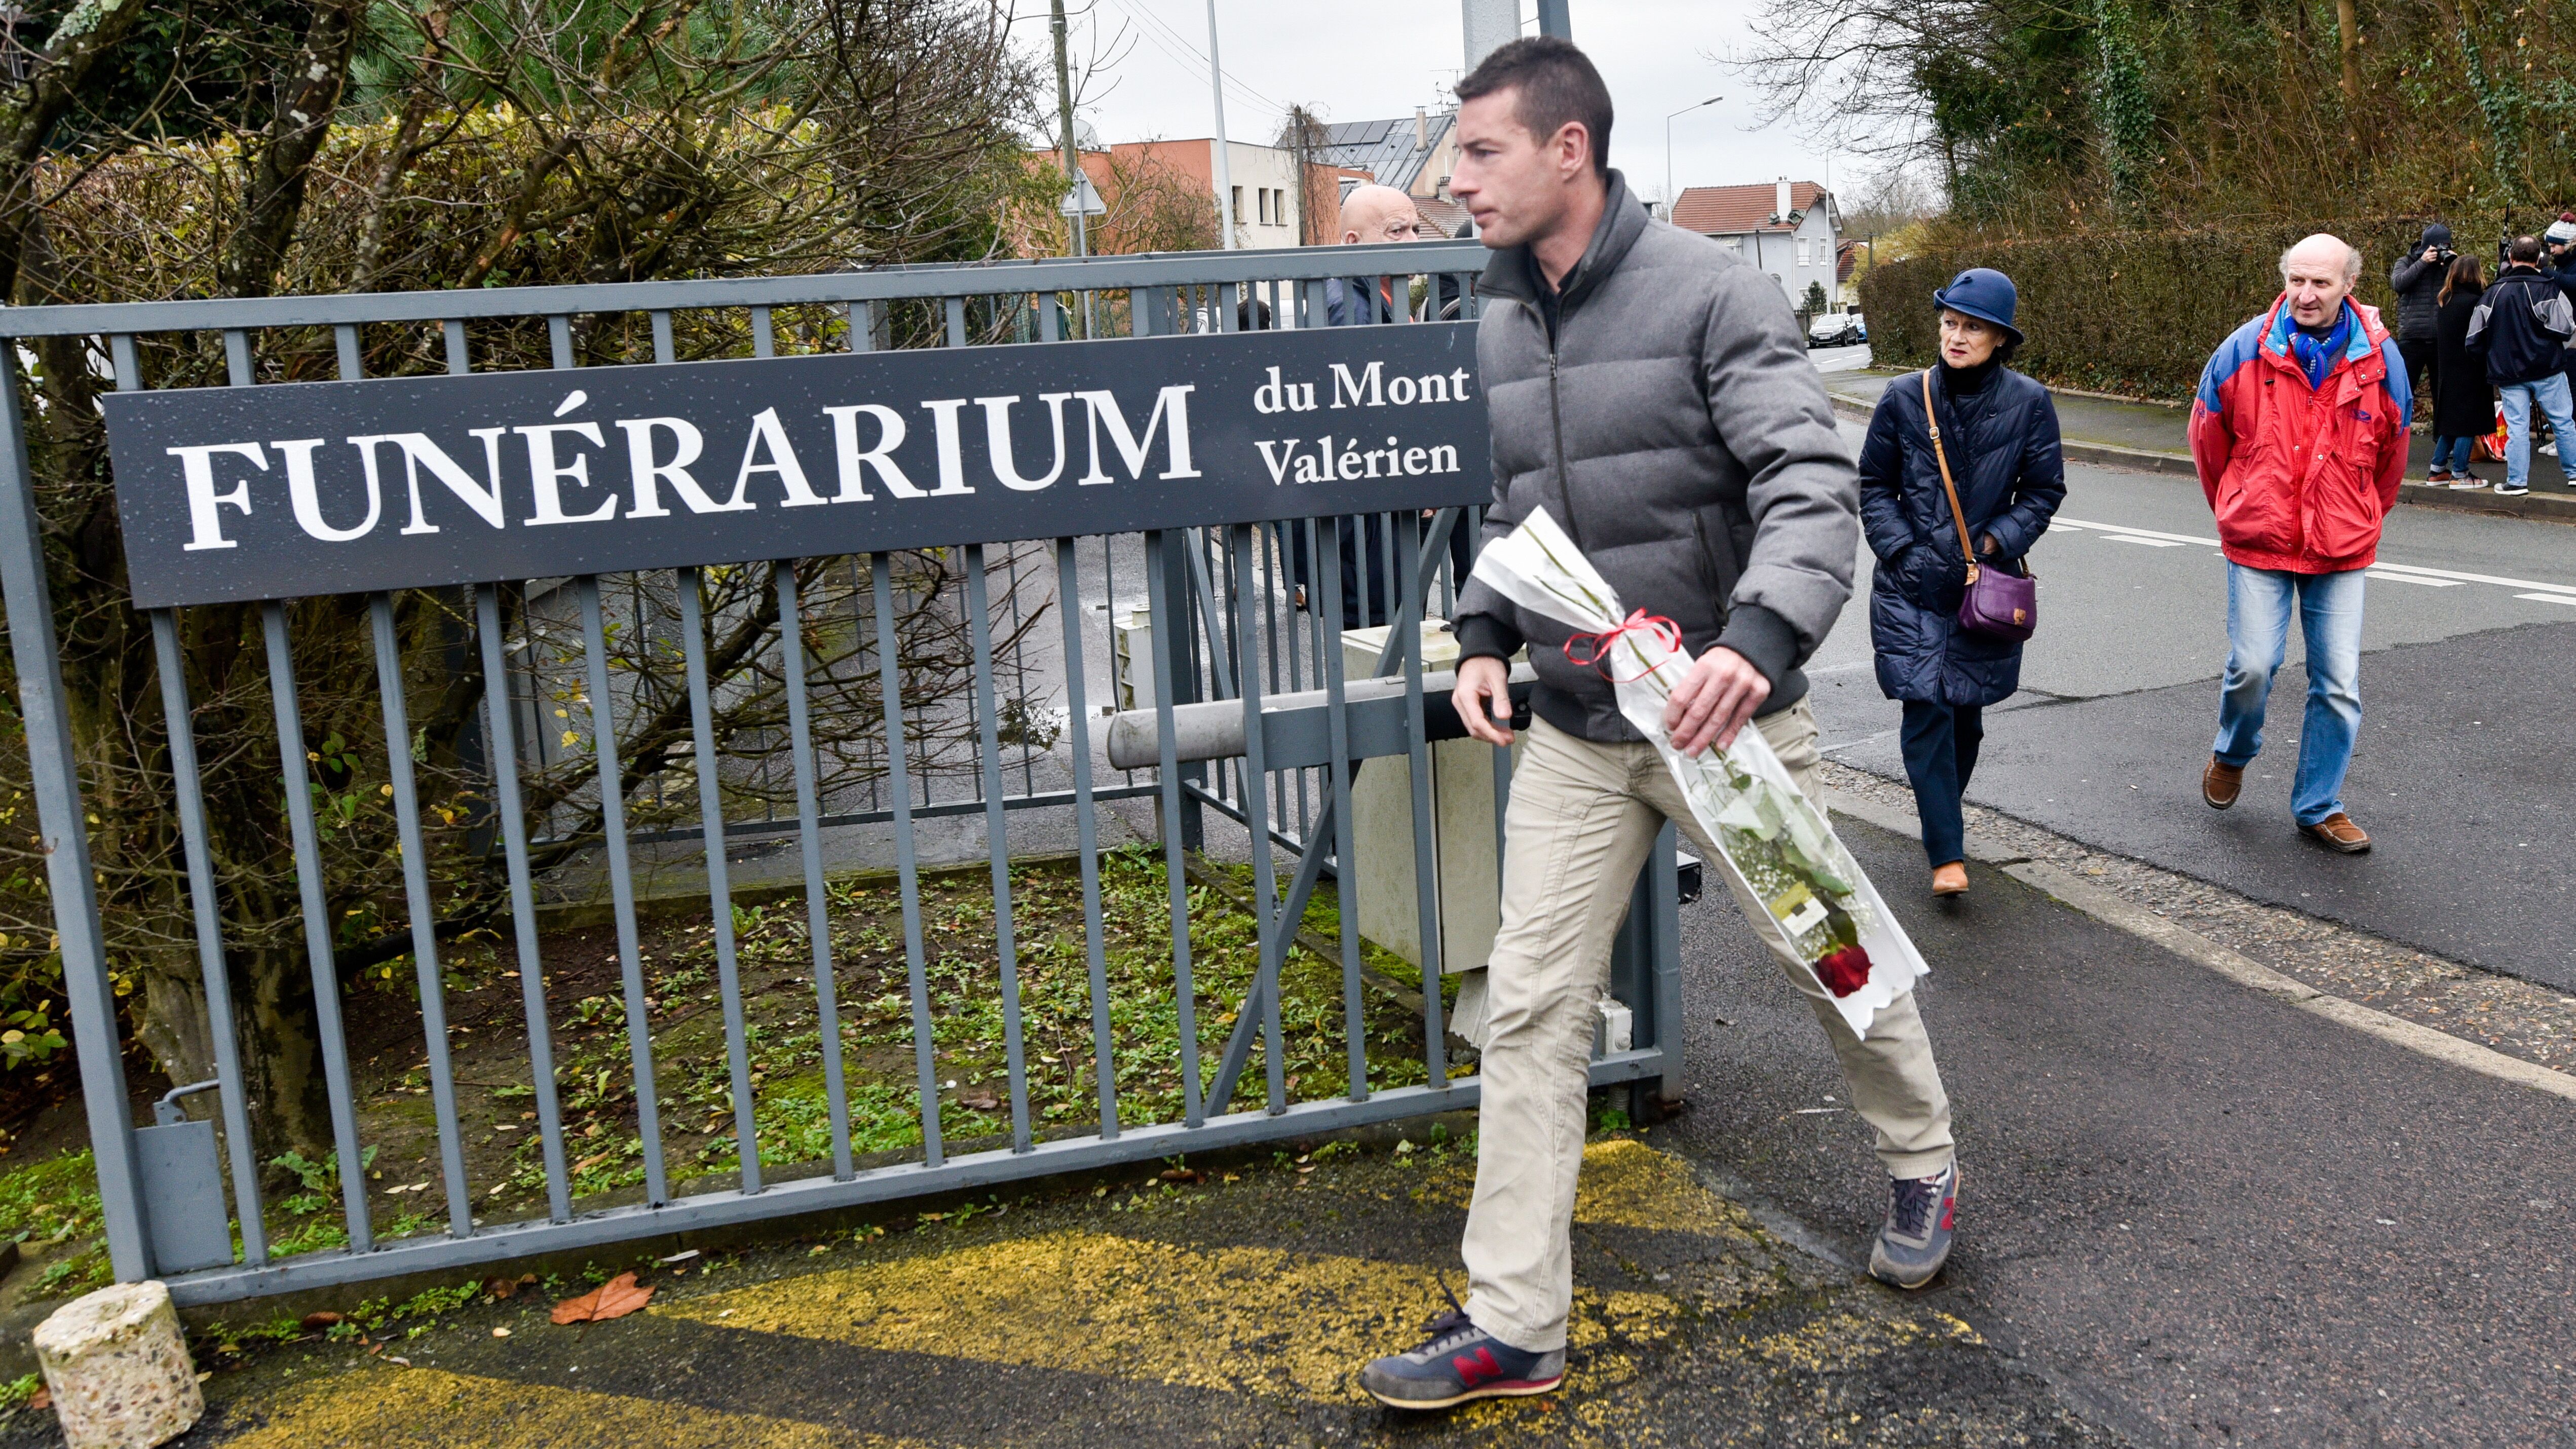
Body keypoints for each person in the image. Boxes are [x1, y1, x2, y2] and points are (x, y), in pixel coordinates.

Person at [1358, 35, 1958, 1411]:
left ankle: (1922, 1160)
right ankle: (1515, 1323)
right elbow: (1515, 516)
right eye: (1456, 157)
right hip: (1575, 726)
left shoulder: (1710, 294)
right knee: (1529, 1009)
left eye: (1479, 152)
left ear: (1568, 148)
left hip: (1719, 721)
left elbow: (1808, 485)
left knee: (1829, 960)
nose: (1456, 183)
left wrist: (1753, 642)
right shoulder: (1500, 317)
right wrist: (1486, 639)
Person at [2188, 234, 2408, 854]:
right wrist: (2236, 506)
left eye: (2321, 284)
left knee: (2337, 683)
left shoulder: (2379, 360)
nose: (2306, 295)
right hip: (2257, 535)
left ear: (2348, 286)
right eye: (2297, 281)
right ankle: (2231, 754)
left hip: (2339, 545)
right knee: (2253, 665)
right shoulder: (2242, 350)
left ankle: (2319, 805)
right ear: (2283, 280)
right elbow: (2208, 439)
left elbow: (2391, 454)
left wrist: (2359, 513)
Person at [1857, 268, 2064, 896]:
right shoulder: (1902, 396)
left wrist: (1996, 541)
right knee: (1925, 712)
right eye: (1949, 322)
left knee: (1965, 720)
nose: (1956, 335)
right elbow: (1872, 484)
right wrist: (1899, 550)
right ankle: (1945, 853)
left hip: (1982, 588)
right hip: (1912, 585)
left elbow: (2043, 490)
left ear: (1999, 337)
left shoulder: (2028, 402)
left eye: (1971, 326)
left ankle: (1938, 814)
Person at [1285, 183, 1468, 629]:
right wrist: (1416, 472)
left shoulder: (1382, 299)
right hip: (1365, 530)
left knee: (1393, 640)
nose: (1412, 242)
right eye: (1395, 231)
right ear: (1354, 243)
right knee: (1379, 644)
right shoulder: (1348, 311)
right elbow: (1364, 414)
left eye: (1415, 230)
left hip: (1379, 520)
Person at [2466, 235, 2576, 497]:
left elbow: (2474, 338)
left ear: (2510, 258)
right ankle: (2574, 473)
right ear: (2539, 260)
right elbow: (2567, 327)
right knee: (2563, 422)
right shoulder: (2548, 289)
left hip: (2509, 371)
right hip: (2547, 368)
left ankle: (2517, 481)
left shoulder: (2494, 292)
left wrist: (2489, 358)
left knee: (2517, 427)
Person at [2431, 252, 2494, 488]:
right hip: (2471, 368)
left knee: (2451, 422)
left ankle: (2437, 469)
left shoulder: (2445, 301)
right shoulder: (2475, 303)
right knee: (2468, 422)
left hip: (2449, 368)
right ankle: (2460, 473)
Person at [2387, 222, 2452, 409]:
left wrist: (2452, 265)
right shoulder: (2406, 262)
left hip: (2441, 338)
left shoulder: (2448, 264)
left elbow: (2463, 287)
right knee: (2402, 392)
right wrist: (2423, 262)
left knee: (2443, 396)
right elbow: (2399, 284)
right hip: (2412, 337)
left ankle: (2441, 438)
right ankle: (2397, 433)